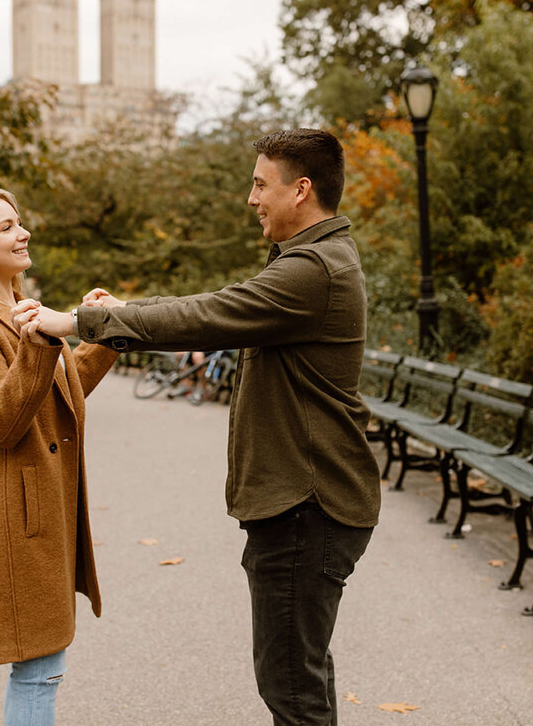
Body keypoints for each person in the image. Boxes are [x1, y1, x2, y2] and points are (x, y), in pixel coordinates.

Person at [20, 129, 379, 725]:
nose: (251, 197)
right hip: (302, 503)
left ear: (303, 189)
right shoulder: (309, 262)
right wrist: (117, 313)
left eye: (262, 183)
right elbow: (213, 305)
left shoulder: (316, 269)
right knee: (300, 677)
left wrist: (78, 321)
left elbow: (208, 314)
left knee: (292, 689)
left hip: (307, 503)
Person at [0, 188, 119, 726]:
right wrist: (38, 343)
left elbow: (53, 395)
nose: (22, 233)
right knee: (38, 665)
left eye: (19, 222)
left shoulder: (15, 312)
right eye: (6, 227)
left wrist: (100, 337)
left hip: (39, 510)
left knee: (45, 662)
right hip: (12, 517)